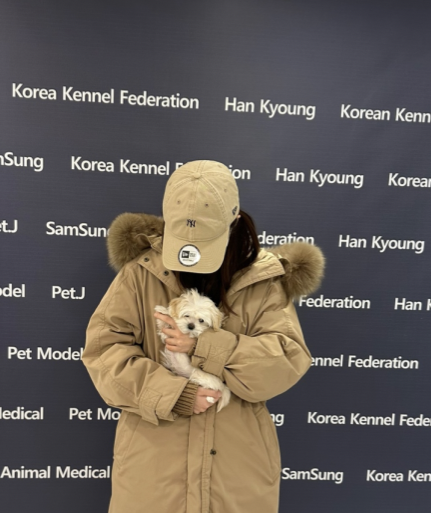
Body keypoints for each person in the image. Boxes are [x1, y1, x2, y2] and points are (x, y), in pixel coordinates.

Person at [82, 159, 324, 513]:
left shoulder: (265, 281)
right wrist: (175, 395)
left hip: (237, 468)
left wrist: (204, 347)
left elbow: (286, 359)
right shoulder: (141, 272)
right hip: (153, 467)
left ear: (234, 221)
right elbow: (104, 351)